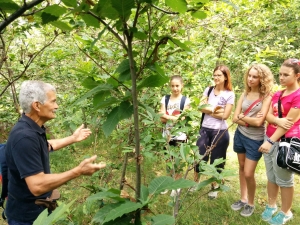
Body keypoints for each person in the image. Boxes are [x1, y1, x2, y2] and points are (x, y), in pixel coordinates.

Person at [5, 80, 106, 225]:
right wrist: (78, 171)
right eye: (53, 101)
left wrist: (73, 138)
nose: (56, 106)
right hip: (27, 218)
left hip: (38, 211)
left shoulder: (31, 128)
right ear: (37, 105)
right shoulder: (24, 137)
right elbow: (37, 186)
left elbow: (45, 146)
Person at [258, 59, 300, 225]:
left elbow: (288, 124)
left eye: (285, 75)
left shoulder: (298, 96)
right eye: (280, 74)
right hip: (269, 138)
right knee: (271, 176)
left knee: (284, 178)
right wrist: (276, 119)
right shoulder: (278, 94)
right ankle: (271, 205)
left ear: (297, 76)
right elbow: (266, 115)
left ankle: (285, 211)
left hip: (286, 142)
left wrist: (269, 141)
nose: (281, 77)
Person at [230, 64, 273, 217]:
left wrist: (243, 118)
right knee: (241, 168)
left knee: (249, 173)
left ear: (262, 79)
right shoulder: (244, 94)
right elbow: (234, 118)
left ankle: (251, 203)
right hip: (240, 135)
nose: (251, 79)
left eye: (255, 76)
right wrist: (246, 120)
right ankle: (243, 198)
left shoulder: (267, 97)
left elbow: (258, 123)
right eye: (249, 75)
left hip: (255, 139)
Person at [194, 65, 235, 198]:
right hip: (205, 129)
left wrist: (209, 109)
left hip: (220, 131)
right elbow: (200, 107)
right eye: (215, 75)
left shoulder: (229, 94)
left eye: (219, 75)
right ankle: (195, 182)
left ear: (225, 77)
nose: (216, 78)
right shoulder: (208, 90)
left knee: (217, 160)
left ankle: (215, 186)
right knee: (199, 156)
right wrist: (216, 110)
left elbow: (226, 115)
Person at [159, 75, 190, 197]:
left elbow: (181, 119)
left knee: (176, 161)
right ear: (169, 86)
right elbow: (160, 116)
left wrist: (167, 117)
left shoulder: (185, 101)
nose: (175, 88)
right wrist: (171, 118)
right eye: (172, 86)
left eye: (177, 85)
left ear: (182, 86)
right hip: (166, 135)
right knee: (168, 161)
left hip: (180, 135)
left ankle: (176, 187)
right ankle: (168, 184)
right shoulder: (165, 99)